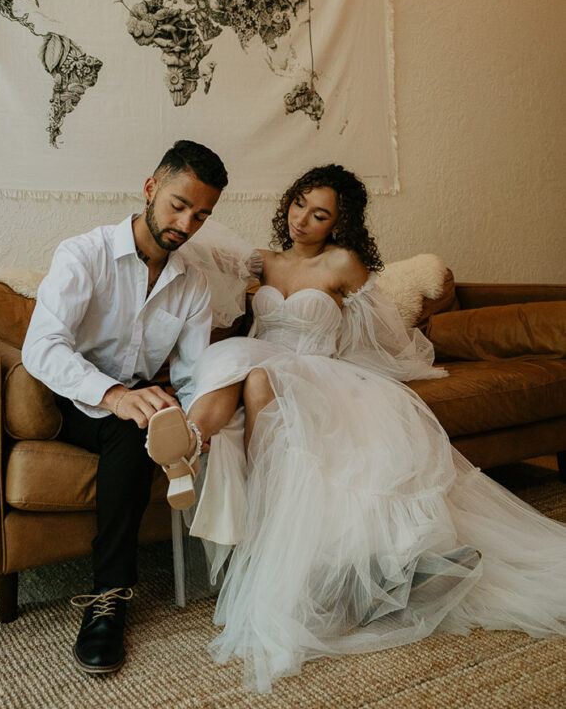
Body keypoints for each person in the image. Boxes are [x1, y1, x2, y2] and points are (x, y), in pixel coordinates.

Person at [147, 164, 566, 693]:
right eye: (299, 204)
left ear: (337, 225)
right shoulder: (263, 261)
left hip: (318, 372)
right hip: (269, 367)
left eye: (319, 214)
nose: (303, 219)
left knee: (254, 377)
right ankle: (186, 443)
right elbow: (200, 249)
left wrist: (361, 366)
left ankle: (381, 571)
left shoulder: (344, 264)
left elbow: (390, 337)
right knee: (237, 362)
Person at [21, 139, 228, 675]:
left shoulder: (193, 283)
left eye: (201, 215)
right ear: (150, 188)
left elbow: (191, 372)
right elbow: (41, 348)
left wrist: (186, 420)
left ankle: (239, 563)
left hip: (134, 412)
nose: (186, 223)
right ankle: (105, 602)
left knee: (151, 425)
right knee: (132, 424)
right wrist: (114, 395)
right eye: (179, 204)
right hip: (72, 401)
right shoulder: (83, 254)